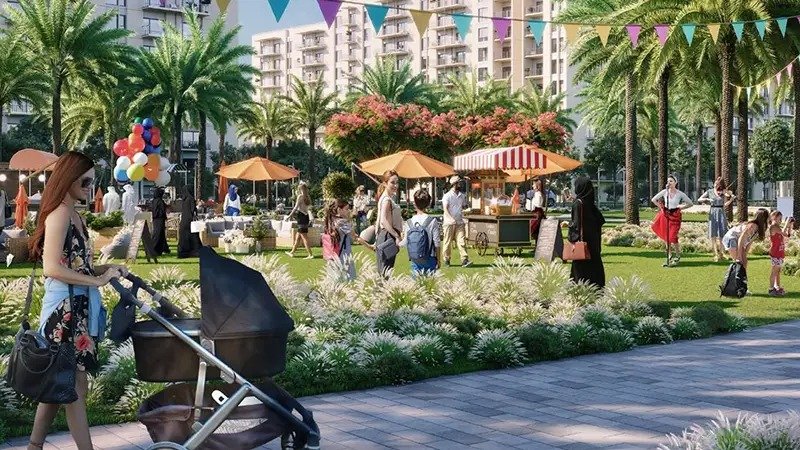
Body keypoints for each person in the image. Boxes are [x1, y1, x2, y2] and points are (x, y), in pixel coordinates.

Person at [27, 152, 127, 450]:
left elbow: (77, 265)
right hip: (65, 312)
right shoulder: (59, 214)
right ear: (68, 179)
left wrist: (106, 270)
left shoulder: (75, 215)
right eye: (84, 181)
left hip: (78, 308)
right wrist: (97, 281)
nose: (89, 186)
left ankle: (34, 446)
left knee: (58, 383)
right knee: (74, 385)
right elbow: (52, 268)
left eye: (92, 181)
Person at [568, 177, 606, 288]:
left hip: (582, 244)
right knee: (594, 267)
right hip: (593, 243)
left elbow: (576, 225)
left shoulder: (578, 203)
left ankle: (580, 289)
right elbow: (600, 221)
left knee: (580, 270)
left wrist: (572, 238)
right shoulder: (590, 204)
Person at [324, 198, 375, 280]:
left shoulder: (331, 221)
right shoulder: (342, 222)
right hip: (342, 255)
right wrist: (370, 246)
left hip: (332, 255)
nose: (349, 211)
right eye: (346, 209)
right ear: (339, 210)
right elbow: (355, 237)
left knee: (334, 281)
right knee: (346, 279)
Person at [651, 175, 694, 267]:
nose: (669, 183)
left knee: (672, 236)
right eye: (668, 181)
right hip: (665, 215)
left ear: (675, 183)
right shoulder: (665, 192)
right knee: (666, 237)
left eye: (671, 181)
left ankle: (678, 255)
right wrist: (661, 207)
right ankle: (669, 255)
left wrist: (680, 208)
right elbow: (654, 199)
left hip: (675, 215)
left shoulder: (680, 194)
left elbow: (690, 203)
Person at [401, 189, 441, 276]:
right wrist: (438, 259)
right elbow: (437, 243)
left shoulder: (409, 222)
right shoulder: (432, 221)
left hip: (415, 258)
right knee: (430, 283)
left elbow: (404, 242)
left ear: (414, 203)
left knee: (417, 283)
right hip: (429, 257)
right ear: (428, 204)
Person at [697, 177, 734, 262]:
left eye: (718, 184)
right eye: (715, 183)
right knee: (713, 233)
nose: (716, 185)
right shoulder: (709, 191)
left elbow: (726, 202)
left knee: (722, 233)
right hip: (713, 212)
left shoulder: (723, 192)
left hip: (721, 212)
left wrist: (731, 197)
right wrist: (707, 199)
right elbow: (699, 199)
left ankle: (722, 253)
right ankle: (715, 253)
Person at [376, 170, 404, 275]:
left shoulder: (388, 198)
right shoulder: (386, 200)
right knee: (385, 272)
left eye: (397, 182)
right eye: (392, 182)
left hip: (387, 235)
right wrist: (396, 235)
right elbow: (383, 220)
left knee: (386, 271)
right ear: (385, 183)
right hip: (387, 235)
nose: (395, 185)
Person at [441, 175, 471, 267]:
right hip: (449, 223)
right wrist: (450, 219)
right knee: (447, 242)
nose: (460, 185)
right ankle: (446, 260)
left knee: (461, 241)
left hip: (459, 222)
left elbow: (464, 206)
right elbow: (445, 209)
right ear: (454, 184)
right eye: (459, 183)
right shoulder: (447, 196)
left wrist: (467, 209)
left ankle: (464, 260)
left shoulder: (462, 195)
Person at [285, 182, 313, 259]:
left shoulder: (300, 196)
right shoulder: (308, 197)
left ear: (300, 189)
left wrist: (289, 216)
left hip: (301, 217)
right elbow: (309, 208)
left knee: (304, 237)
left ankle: (310, 254)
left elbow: (295, 207)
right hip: (306, 217)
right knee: (298, 237)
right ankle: (292, 252)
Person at [768, 211, 792, 296]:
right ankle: (771, 289)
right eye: (780, 218)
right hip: (775, 253)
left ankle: (777, 287)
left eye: (781, 219)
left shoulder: (778, 227)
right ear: (774, 217)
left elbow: (787, 235)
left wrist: (790, 226)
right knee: (774, 271)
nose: (781, 220)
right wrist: (787, 222)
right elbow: (783, 232)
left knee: (777, 271)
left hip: (779, 252)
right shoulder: (773, 227)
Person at [177, 185, 202, 258]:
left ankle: (183, 252)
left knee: (184, 238)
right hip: (190, 221)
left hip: (184, 221)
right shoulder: (191, 199)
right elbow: (193, 210)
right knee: (193, 237)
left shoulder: (184, 199)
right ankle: (195, 251)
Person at [150, 187, 170, 256]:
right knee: (158, 234)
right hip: (160, 219)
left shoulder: (153, 201)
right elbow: (162, 211)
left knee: (160, 234)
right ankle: (154, 248)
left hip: (155, 219)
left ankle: (164, 248)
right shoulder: (160, 201)